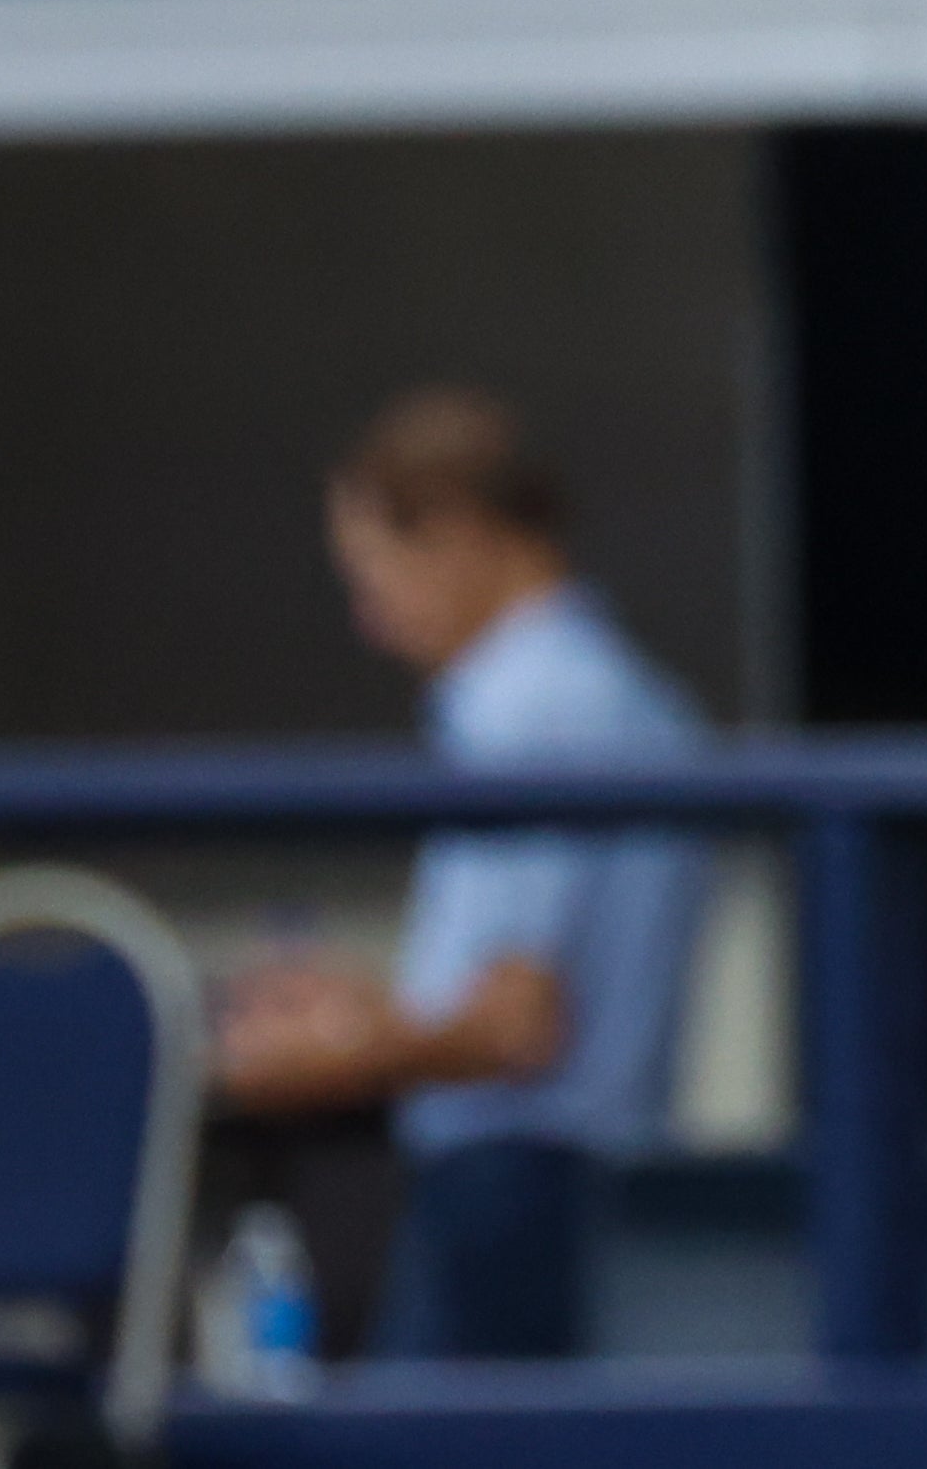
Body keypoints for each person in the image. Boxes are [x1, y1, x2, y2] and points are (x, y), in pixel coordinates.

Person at [209, 390, 706, 1359]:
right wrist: (373, 1011)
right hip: (577, 1195)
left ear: (458, 529)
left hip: (511, 1190)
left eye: (374, 575)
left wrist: (319, 1050)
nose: (370, 623)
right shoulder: (627, 697)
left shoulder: (531, 709)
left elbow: (514, 1025)